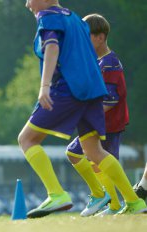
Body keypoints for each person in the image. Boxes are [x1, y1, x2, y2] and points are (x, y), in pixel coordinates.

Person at [19, 0, 147, 218]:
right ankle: (134, 202)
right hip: (93, 91)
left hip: (69, 89)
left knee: (27, 139)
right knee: (93, 151)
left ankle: (57, 194)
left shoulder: (48, 16)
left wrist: (45, 86)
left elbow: (51, 46)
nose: (27, 4)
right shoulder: (75, 18)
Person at [66, 14, 128, 216]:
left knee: (104, 164)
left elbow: (111, 100)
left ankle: (126, 203)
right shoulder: (97, 62)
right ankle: (110, 200)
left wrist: (84, 115)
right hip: (96, 125)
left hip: (108, 125)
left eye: (87, 37)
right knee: (80, 155)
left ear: (100, 38)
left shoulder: (110, 64)